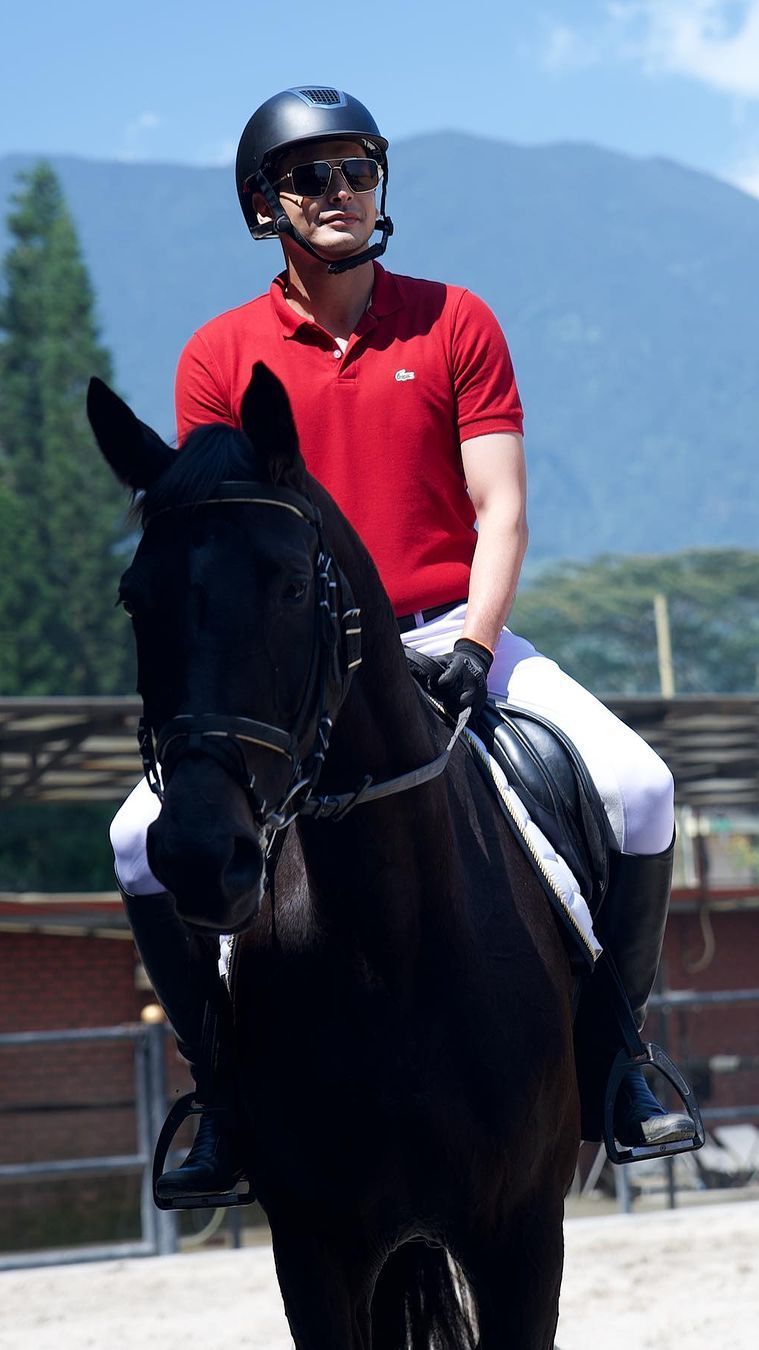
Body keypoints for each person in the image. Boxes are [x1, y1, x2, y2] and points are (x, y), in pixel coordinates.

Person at [111, 86, 694, 1203]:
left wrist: (475, 645)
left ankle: (619, 1063)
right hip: (299, 669)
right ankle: (224, 1093)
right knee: (140, 840)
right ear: (263, 206)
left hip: (448, 631)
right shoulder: (217, 356)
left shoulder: (454, 320)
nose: (339, 193)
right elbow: (218, 551)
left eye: (357, 170)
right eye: (310, 176)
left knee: (641, 787)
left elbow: (503, 508)